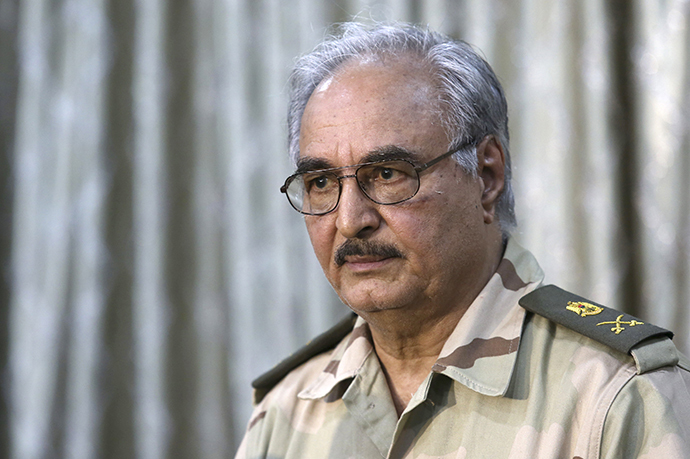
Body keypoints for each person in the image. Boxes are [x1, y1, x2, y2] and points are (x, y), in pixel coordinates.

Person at [236, 22, 690, 458]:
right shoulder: (284, 411)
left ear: (487, 176)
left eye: (389, 174)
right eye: (320, 182)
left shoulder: (618, 398)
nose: (351, 220)